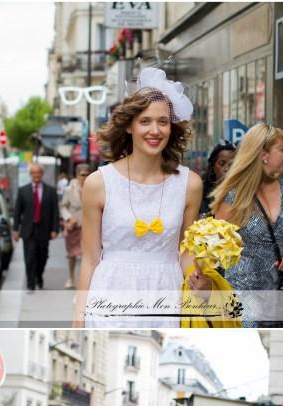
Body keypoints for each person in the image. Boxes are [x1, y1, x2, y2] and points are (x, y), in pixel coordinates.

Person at [73, 67, 208, 328]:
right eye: (145, 121)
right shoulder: (98, 183)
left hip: (165, 294)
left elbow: (186, 252)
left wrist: (200, 279)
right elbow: (89, 259)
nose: (154, 130)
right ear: (129, 127)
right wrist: (78, 317)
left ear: (171, 128)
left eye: (162, 121)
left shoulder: (189, 184)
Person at [212, 124, 283, 327]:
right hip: (243, 302)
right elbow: (214, 249)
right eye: (282, 149)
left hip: (281, 298)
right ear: (264, 155)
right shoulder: (234, 198)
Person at [12, 162, 59, 292]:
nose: (36, 175)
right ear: (30, 174)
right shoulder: (23, 191)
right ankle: (30, 283)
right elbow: (17, 212)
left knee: (43, 257)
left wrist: (55, 229)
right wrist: (16, 229)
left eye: (38, 172)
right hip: (28, 230)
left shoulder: (50, 191)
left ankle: (39, 275)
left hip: (44, 229)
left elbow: (55, 211)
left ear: (42, 174)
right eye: (33, 173)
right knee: (29, 257)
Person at [59, 164, 91, 289]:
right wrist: (68, 218)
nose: (85, 177)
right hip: (74, 225)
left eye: (88, 174)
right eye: (83, 175)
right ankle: (71, 277)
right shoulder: (69, 189)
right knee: (72, 254)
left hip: (89, 225)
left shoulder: (94, 187)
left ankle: (84, 280)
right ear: (77, 175)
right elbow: (63, 206)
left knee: (87, 254)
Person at [199, 142, 236, 216]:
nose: (226, 169)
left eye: (231, 164)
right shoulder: (201, 191)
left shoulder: (241, 193)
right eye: (222, 163)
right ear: (213, 166)